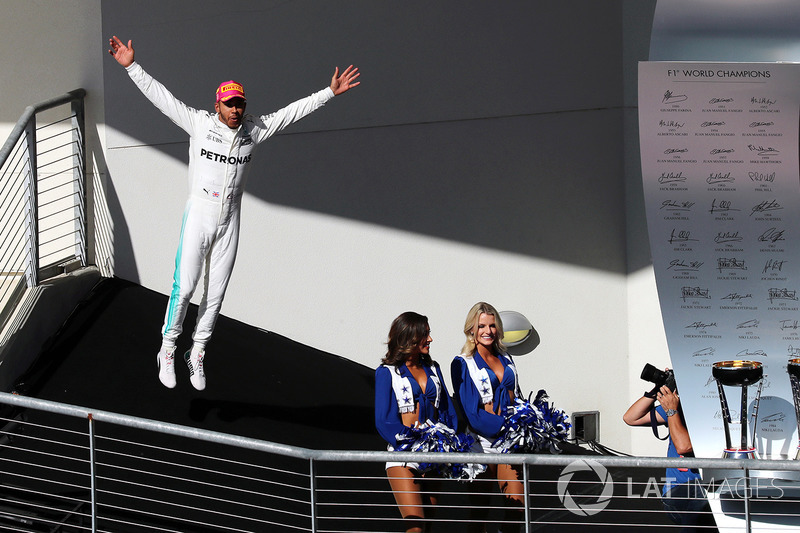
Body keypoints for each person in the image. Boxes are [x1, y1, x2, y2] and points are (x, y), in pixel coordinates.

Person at [107, 36, 360, 391]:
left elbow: (290, 114)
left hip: (230, 219)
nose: (236, 110)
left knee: (216, 293)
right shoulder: (198, 123)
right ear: (218, 105)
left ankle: (196, 352)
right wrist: (132, 66)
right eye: (229, 105)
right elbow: (162, 99)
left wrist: (329, 93)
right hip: (200, 212)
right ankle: (167, 348)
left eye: (240, 104)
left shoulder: (253, 131)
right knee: (185, 288)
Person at [375, 312, 459, 533]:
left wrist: (446, 440)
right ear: (410, 337)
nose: (430, 339)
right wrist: (415, 443)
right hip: (403, 455)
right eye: (425, 334)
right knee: (415, 528)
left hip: (433, 456)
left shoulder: (433, 369)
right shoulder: (387, 373)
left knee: (427, 527)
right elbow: (384, 421)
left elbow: (447, 412)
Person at [451, 302, 524, 533]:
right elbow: (472, 413)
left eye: (492, 325)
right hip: (481, 444)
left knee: (517, 508)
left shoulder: (506, 357)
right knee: (480, 511)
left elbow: (518, 396)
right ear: (471, 329)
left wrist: (528, 423)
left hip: (509, 442)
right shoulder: (462, 363)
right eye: (481, 325)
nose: (488, 331)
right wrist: (507, 427)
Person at [623, 380, 715, 532]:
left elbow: (684, 446)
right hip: (678, 492)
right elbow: (631, 418)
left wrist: (671, 411)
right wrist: (656, 391)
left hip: (706, 488)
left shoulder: (711, 414)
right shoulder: (679, 410)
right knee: (699, 506)